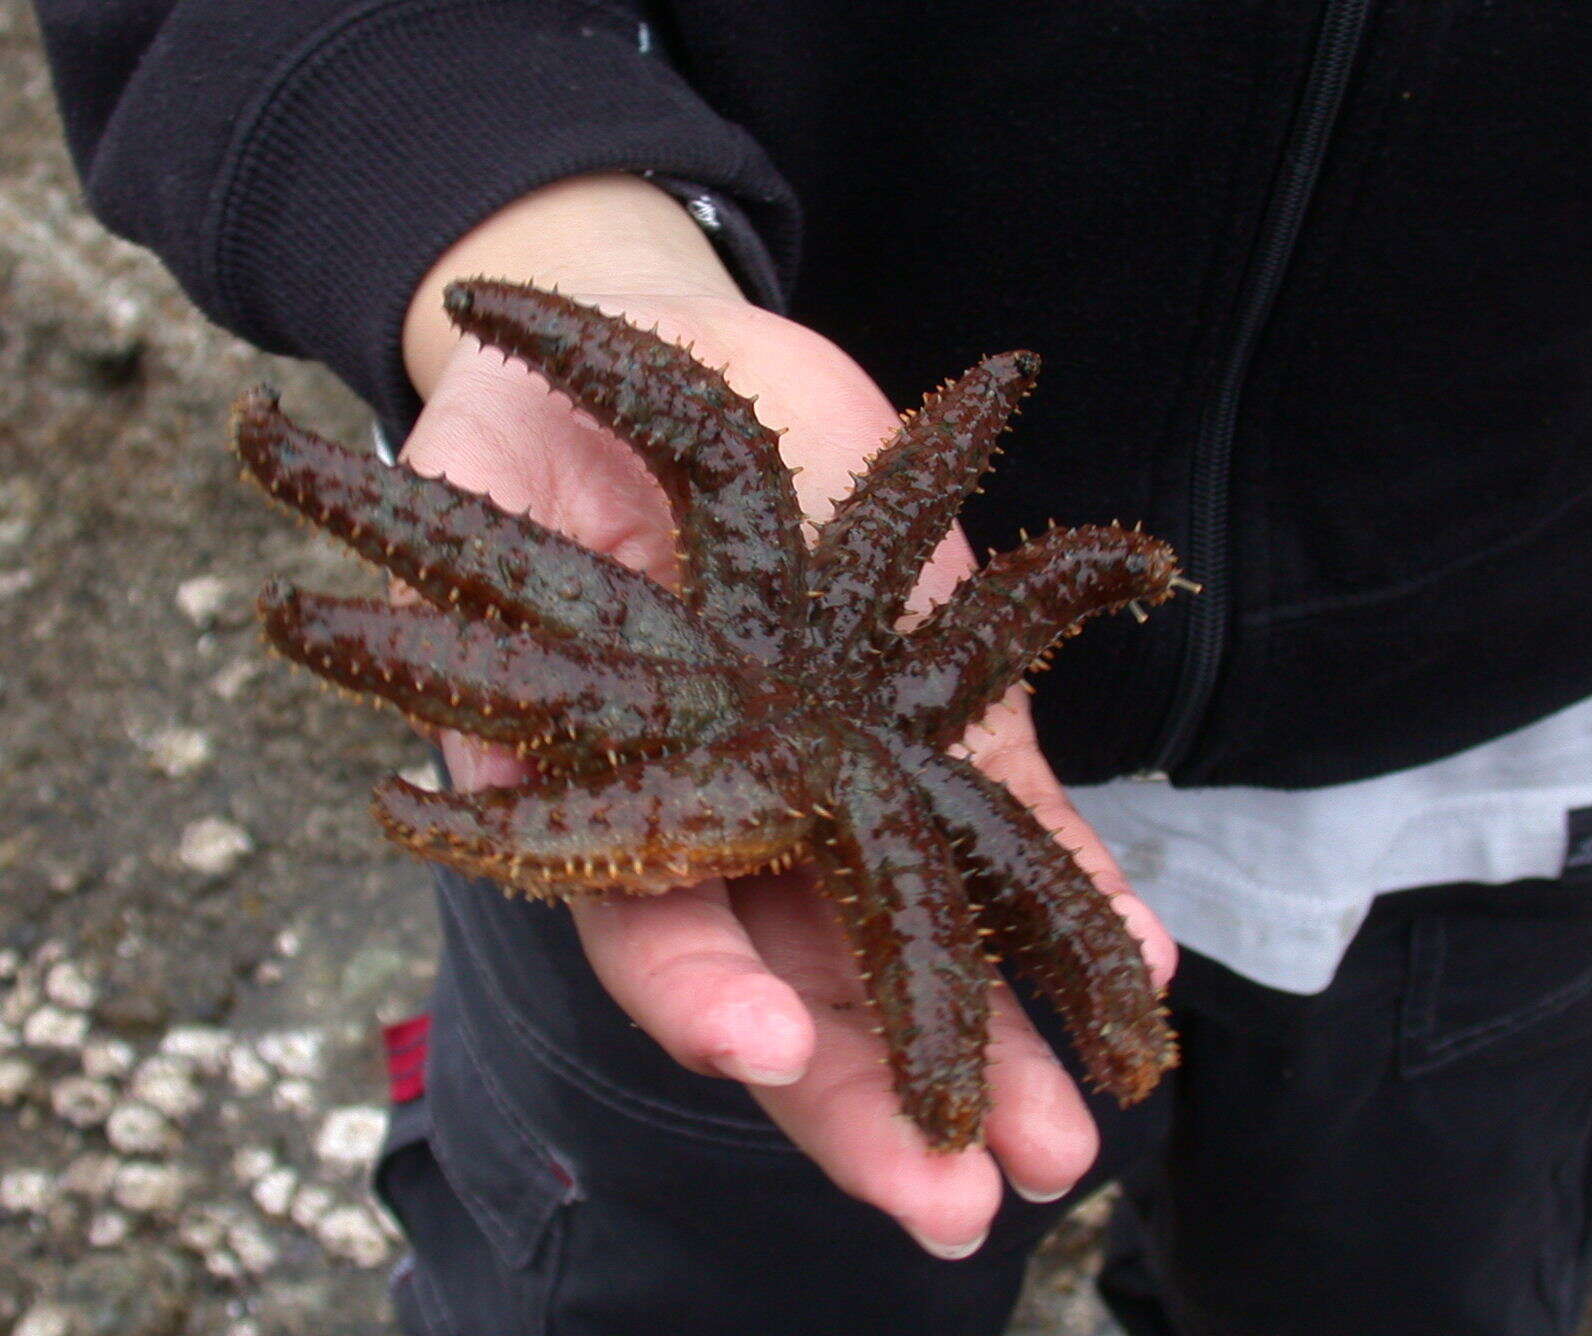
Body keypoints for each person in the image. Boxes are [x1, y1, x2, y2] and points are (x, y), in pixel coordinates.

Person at [34, 4, 1592, 1333]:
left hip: (1513, 773)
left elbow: (1020, 549)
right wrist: (535, 240)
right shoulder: (782, 664)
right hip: (736, 312)